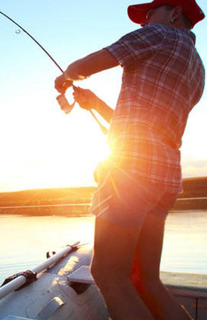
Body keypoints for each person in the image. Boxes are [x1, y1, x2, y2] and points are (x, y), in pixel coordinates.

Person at [54, 0, 205, 319]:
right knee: (146, 280)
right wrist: (94, 103)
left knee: (109, 275)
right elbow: (144, 124)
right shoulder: (197, 67)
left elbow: (89, 63)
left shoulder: (159, 34)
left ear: (174, 12)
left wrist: (66, 77)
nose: (145, 21)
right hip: (164, 177)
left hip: (132, 172)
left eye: (150, 13)